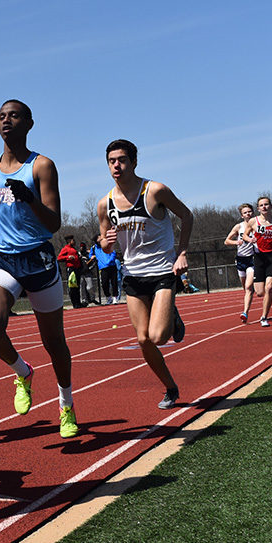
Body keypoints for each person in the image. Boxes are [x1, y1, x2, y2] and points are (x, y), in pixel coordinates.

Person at [0, 99, 78, 439]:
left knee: (54, 341)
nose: (6, 121)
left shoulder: (42, 166)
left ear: (29, 123)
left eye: (14, 116)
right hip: (3, 258)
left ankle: (66, 404)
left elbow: (53, 222)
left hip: (38, 258)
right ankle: (22, 372)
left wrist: (29, 197)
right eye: (1, 116)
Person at [97, 139, 193, 410]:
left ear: (134, 162)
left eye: (122, 160)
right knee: (143, 339)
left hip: (162, 270)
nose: (116, 165)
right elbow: (104, 242)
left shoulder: (155, 191)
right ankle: (170, 387)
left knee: (159, 336)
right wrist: (108, 242)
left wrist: (182, 253)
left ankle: (171, 316)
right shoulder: (105, 204)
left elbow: (187, 216)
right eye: (111, 161)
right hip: (132, 275)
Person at [242, 196, 272, 327]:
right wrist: (250, 240)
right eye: (261, 205)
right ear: (258, 208)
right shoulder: (253, 221)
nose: (264, 207)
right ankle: (264, 308)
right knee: (260, 292)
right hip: (259, 257)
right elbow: (245, 235)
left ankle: (264, 317)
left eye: (266, 204)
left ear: (271, 206)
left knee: (269, 287)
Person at [223, 203, 256, 323]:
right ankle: (251, 292)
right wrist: (236, 243)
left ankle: (245, 312)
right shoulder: (238, 227)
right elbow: (226, 241)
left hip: (252, 258)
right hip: (241, 259)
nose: (248, 214)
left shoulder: (257, 224)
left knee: (248, 287)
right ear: (242, 215)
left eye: (250, 211)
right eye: (245, 212)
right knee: (245, 288)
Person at [57, 235, 83, 309]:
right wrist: (67, 257)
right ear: (69, 241)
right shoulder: (66, 249)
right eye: (73, 240)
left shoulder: (73, 249)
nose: (74, 241)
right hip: (71, 269)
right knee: (72, 286)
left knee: (77, 286)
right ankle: (75, 303)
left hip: (77, 269)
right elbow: (59, 257)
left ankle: (78, 302)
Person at [91, 235, 118, 304]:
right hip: (103, 268)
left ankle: (115, 297)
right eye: (99, 239)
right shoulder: (94, 248)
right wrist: (92, 256)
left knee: (114, 283)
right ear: (96, 241)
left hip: (111, 266)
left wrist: (110, 260)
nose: (101, 240)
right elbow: (90, 255)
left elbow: (113, 253)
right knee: (104, 283)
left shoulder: (107, 244)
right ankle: (109, 298)